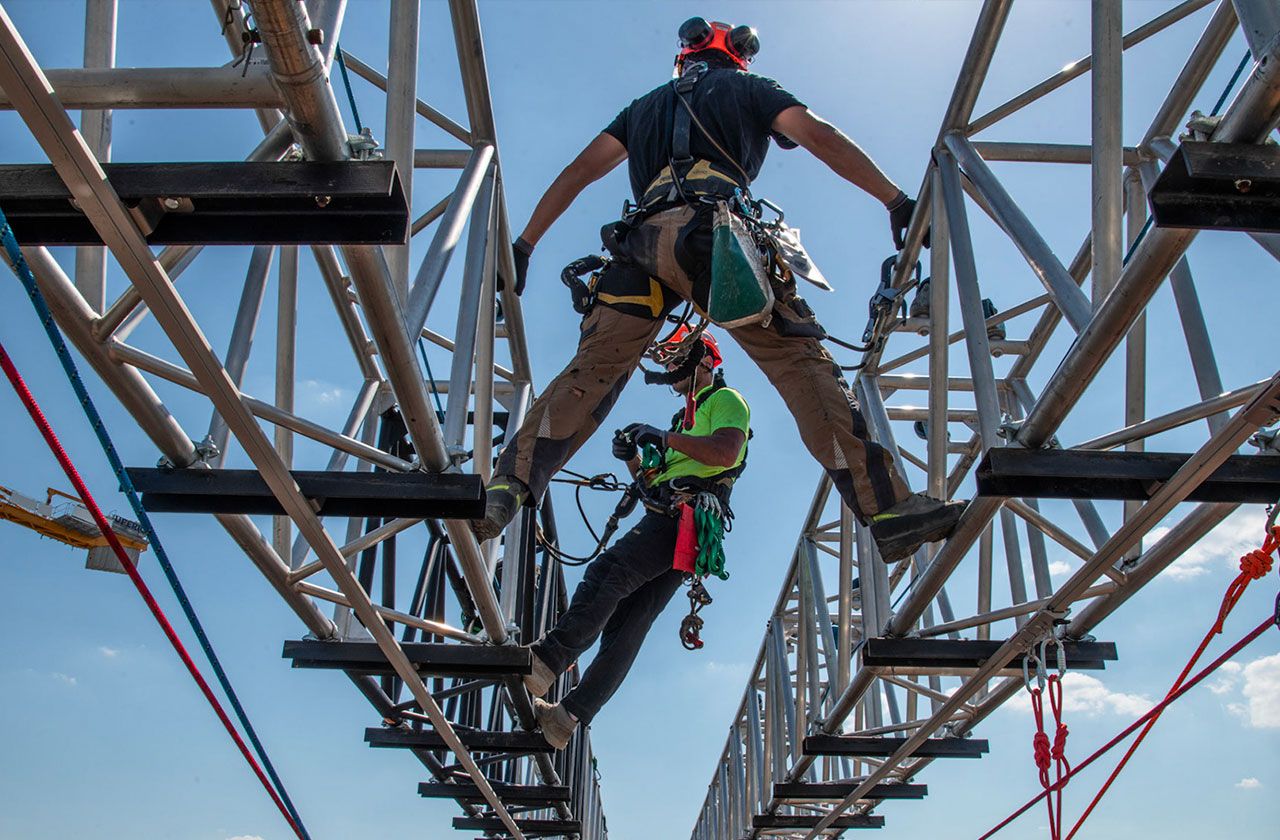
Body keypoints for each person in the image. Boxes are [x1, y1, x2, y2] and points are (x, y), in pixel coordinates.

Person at [473, 17, 964, 563]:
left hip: (638, 250)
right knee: (799, 363)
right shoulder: (749, 89)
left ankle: (507, 485)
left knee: (592, 372)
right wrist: (896, 200)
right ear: (739, 56)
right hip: (714, 242)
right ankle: (888, 510)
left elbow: (578, 172)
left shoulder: (643, 108)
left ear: (686, 56)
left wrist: (524, 244)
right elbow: (817, 135)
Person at [526, 329, 749, 748]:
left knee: (607, 573)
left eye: (676, 359)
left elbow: (726, 453)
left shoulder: (725, 401)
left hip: (683, 517)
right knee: (629, 622)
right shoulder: (681, 421)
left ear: (704, 360)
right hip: (678, 522)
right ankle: (567, 718)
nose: (669, 369)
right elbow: (649, 482)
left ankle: (547, 661)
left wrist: (662, 438)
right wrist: (632, 455)